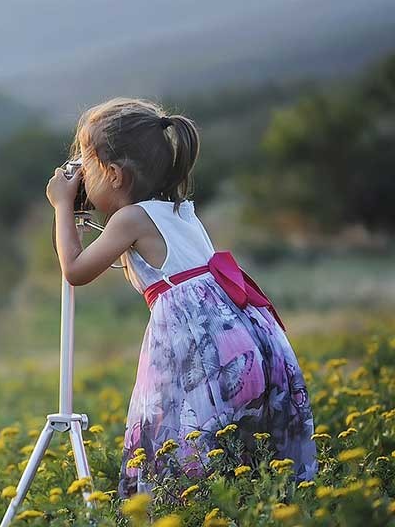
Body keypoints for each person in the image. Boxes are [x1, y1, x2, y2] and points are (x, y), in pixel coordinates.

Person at [44, 97, 316, 497]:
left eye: (86, 163)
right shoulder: (180, 209)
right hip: (247, 342)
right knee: (238, 455)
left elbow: (75, 270)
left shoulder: (130, 219)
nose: (80, 175)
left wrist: (61, 206)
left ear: (115, 174)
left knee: (179, 445)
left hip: (198, 353)